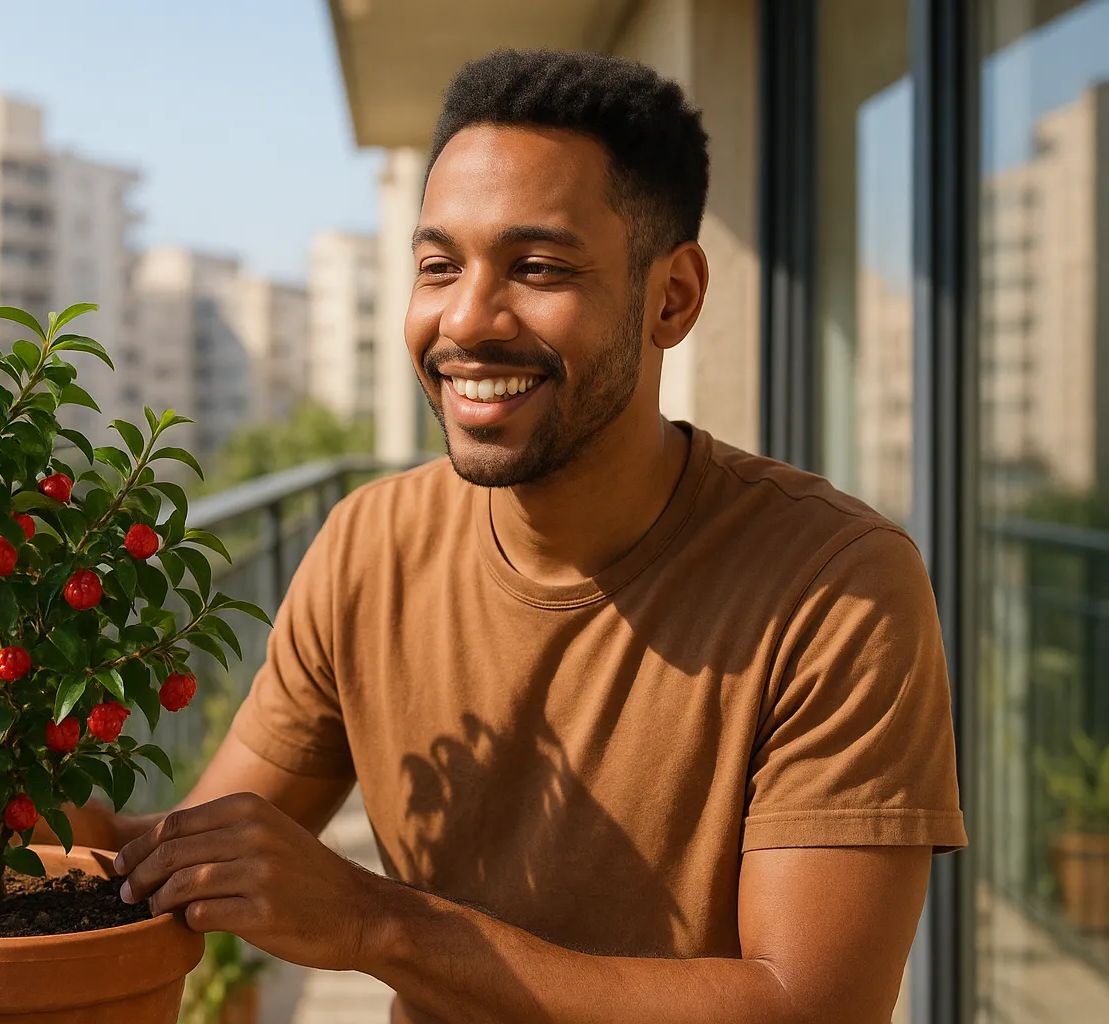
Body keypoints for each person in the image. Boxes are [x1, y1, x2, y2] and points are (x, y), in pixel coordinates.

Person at [80, 49, 966, 1023]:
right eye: (438, 267)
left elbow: (810, 1005)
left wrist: (379, 923)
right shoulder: (371, 543)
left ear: (672, 298)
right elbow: (176, 853)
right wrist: (24, 791)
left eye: (537, 267)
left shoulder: (839, 586)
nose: (466, 318)